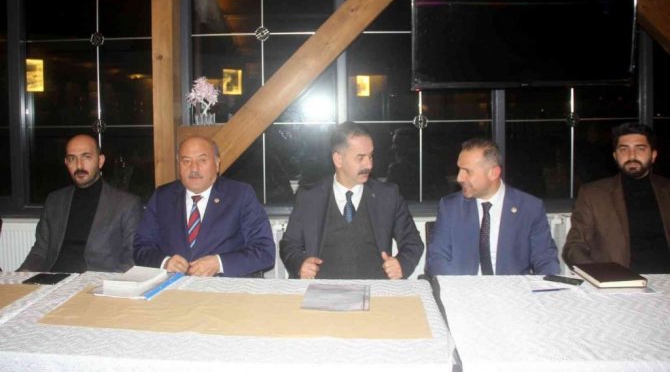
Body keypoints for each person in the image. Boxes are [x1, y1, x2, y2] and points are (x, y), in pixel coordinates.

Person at [279, 122, 424, 280]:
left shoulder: (387, 196)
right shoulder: (310, 197)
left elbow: (413, 242)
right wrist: (300, 265)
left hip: (376, 287)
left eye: (370, 156)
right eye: (360, 158)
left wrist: (402, 264)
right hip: (322, 287)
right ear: (338, 159)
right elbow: (289, 244)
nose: (369, 164)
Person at [133, 136, 275, 277]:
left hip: (224, 286)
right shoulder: (162, 197)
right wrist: (165, 262)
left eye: (202, 160)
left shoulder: (240, 195)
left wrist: (219, 263)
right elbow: (141, 247)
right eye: (186, 161)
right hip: (173, 286)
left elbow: (265, 251)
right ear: (178, 165)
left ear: (217, 163)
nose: (194, 168)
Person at [426, 138, 559, 276]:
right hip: (465, 286)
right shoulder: (450, 207)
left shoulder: (530, 208)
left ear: (493, 173)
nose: (459, 178)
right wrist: (462, 286)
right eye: (459, 169)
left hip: (512, 287)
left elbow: (546, 260)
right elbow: (436, 259)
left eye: (467, 171)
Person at [19, 134, 142, 273]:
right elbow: (40, 251)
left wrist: (108, 283)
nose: (79, 165)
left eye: (86, 157)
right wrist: (23, 273)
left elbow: (131, 258)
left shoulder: (126, 204)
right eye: (72, 159)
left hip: (96, 280)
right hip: (53, 277)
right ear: (66, 163)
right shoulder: (54, 201)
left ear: (100, 161)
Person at [563, 123, 670, 273]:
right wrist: (599, 274)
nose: (631, 156)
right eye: (623, 149)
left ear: (653, 155)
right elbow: (574, 247)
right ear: (615, 156)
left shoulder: (667, 190)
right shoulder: (594, 194)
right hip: (617, 281)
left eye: (640, 149)